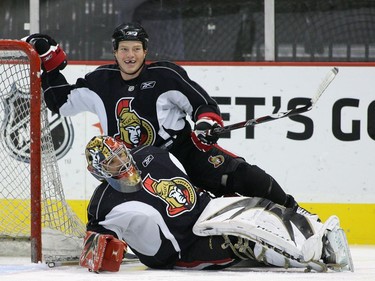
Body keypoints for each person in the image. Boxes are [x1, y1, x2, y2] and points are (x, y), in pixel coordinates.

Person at [25, 23, 313, 217]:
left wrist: (204, 125)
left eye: (136, 48)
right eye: (124, 49)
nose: (130, 55)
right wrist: (49, 64)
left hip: (181, 152)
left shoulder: (165, 75)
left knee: (242, 176)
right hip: (134, 168)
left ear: (145, 51)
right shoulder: (101, 81)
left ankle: (293, 211)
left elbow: (202, 105)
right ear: (115, 52)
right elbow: (60, 102)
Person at [79, 135, 353, 273]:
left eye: (121, 153)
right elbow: (93, 243)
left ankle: (317, 234)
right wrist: (102, 249)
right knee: (242, 240)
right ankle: (312, 258)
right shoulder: (103, 203)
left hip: (207, 211)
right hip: (184, 250)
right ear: (99, 171)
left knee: (256, 207)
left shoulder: (151, 154)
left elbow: (187, 174)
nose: (122, 161)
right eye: (112, 161)